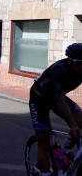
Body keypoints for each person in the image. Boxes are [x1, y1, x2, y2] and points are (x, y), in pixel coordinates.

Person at [29, 43, 82, 176]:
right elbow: (60, 101)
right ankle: (44, 172)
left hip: (56, 98)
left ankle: (65, 147)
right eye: (80, 64)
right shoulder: (59, 69)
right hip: (40, 99)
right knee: (44, 142)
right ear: (70, 61)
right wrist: (72, 125)